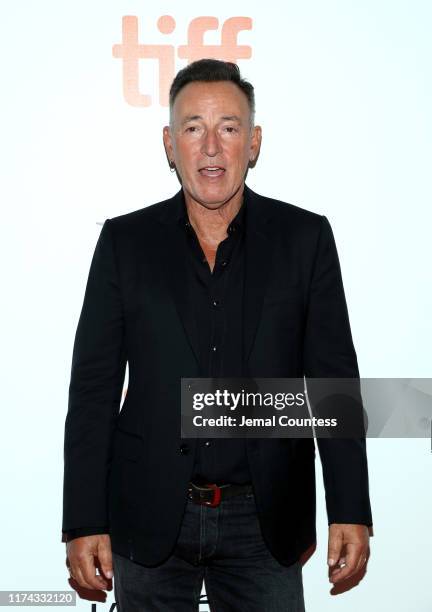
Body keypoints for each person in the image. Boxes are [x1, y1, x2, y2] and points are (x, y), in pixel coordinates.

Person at [62, 59, 372, 611]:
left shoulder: (306, 239)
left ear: (252, 143)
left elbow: (332, 383)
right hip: (149, 514)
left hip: (265, 520)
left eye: (228, 128)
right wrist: (83, 519)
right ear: (169, 144)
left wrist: (349, 507)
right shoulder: (123, 243)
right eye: (192, 128)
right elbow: (92, 392)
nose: (210, 146)